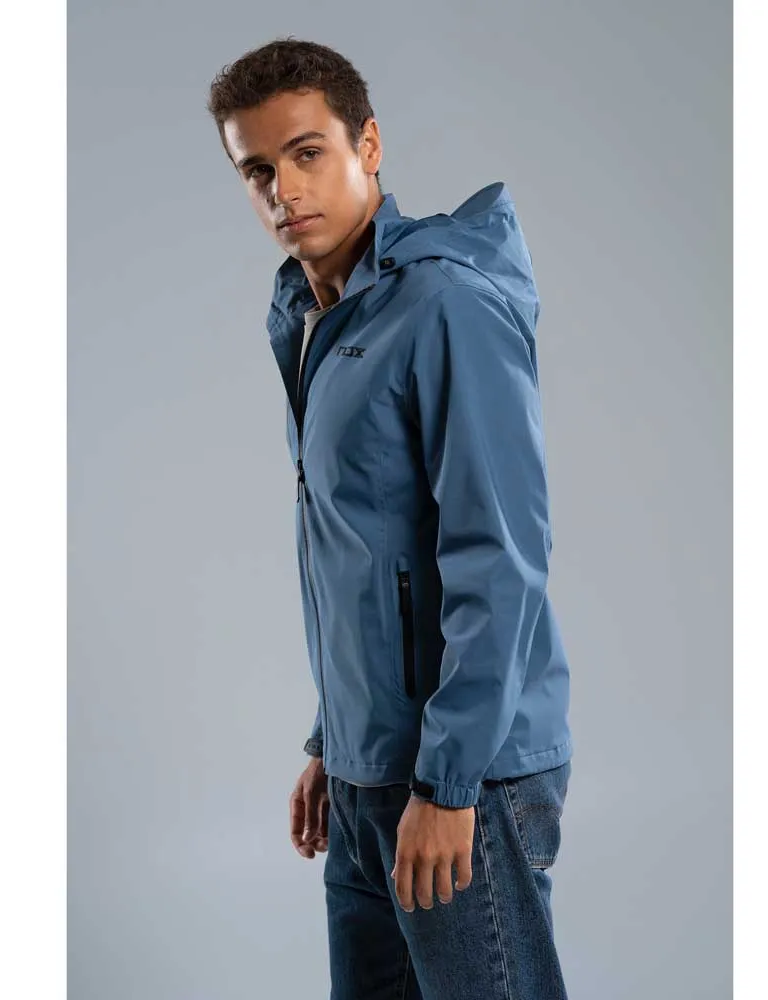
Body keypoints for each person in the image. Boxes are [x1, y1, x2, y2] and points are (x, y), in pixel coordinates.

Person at [207, 37, 574, 1000]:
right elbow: (364, 558)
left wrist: (447, 783)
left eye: (307, 152)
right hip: (372, 773)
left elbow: (500, 559)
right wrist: (336, 742)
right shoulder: (314, 318)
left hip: (465, 777)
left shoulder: (445, 306)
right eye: (257, 169)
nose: (284, 189)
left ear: (367, 145)